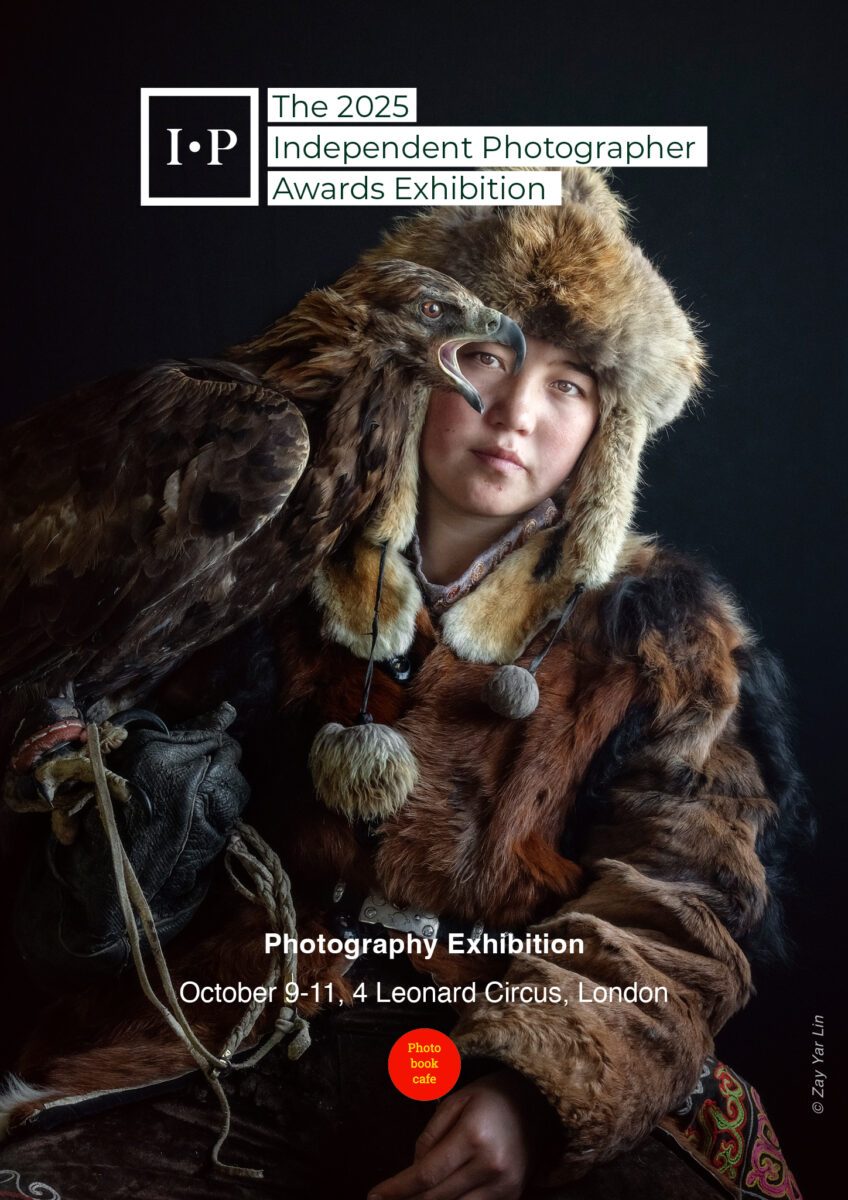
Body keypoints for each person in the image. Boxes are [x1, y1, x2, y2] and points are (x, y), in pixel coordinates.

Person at [0, 169, 806, 1199]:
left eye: (568, 384)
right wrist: (102, 838)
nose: (514, 410)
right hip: (224, 1034)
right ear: (413, 365)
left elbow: (682, 902)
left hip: (503, 1033)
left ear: (608, 434)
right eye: (483, 355)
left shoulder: (662, 633)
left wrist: (531, 1087)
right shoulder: (233, 540)